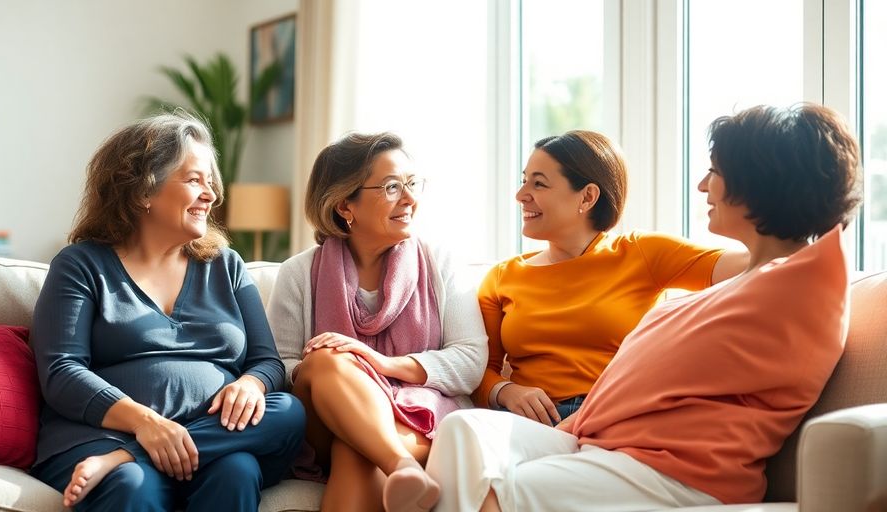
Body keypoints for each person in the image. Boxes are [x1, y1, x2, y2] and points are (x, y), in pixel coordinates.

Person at [421, 103, 861, 511]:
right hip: (595, 437)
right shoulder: (754, 286)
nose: (702, 185)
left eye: (714, 171)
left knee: (496, 487)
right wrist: (510, 393)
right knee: (464, 430)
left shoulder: (800, 283)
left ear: (759, 182)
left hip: (673, 466)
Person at [28, 112, 305, 512]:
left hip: (214, 444)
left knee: (284, 417)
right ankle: (127, 460)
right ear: (143, 189)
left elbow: (266, 362)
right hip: (104, 437)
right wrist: (146, 424)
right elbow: (62, 372)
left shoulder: (226, 266)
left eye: (210, 182)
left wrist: (252, 385)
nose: (210, 195)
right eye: (194, 180)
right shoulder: (81, 265)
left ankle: (126, 459)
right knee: (132, 487)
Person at [265, 132, 489, 512]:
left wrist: (381, 365)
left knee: (355, 450)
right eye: (391, 187)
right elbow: (279, 366)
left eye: (411, 184)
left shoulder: (441, 264)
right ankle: (399, 464)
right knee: (324, 359)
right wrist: (349, 376)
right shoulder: (299, 273)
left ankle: (396, 465)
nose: (409, 199)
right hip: (324, 420)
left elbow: (469, 360)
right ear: (343, 205)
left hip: (421, 413)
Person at [473, 130, 746, 424]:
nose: (520, 195)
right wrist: (506, 390)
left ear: (588, 196)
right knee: (464, 427)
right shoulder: (503, 276)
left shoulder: (641, 253)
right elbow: (477, 371)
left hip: (612, 418)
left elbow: (755, 263)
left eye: (538, 183)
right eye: (523, 180)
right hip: (529, 421)